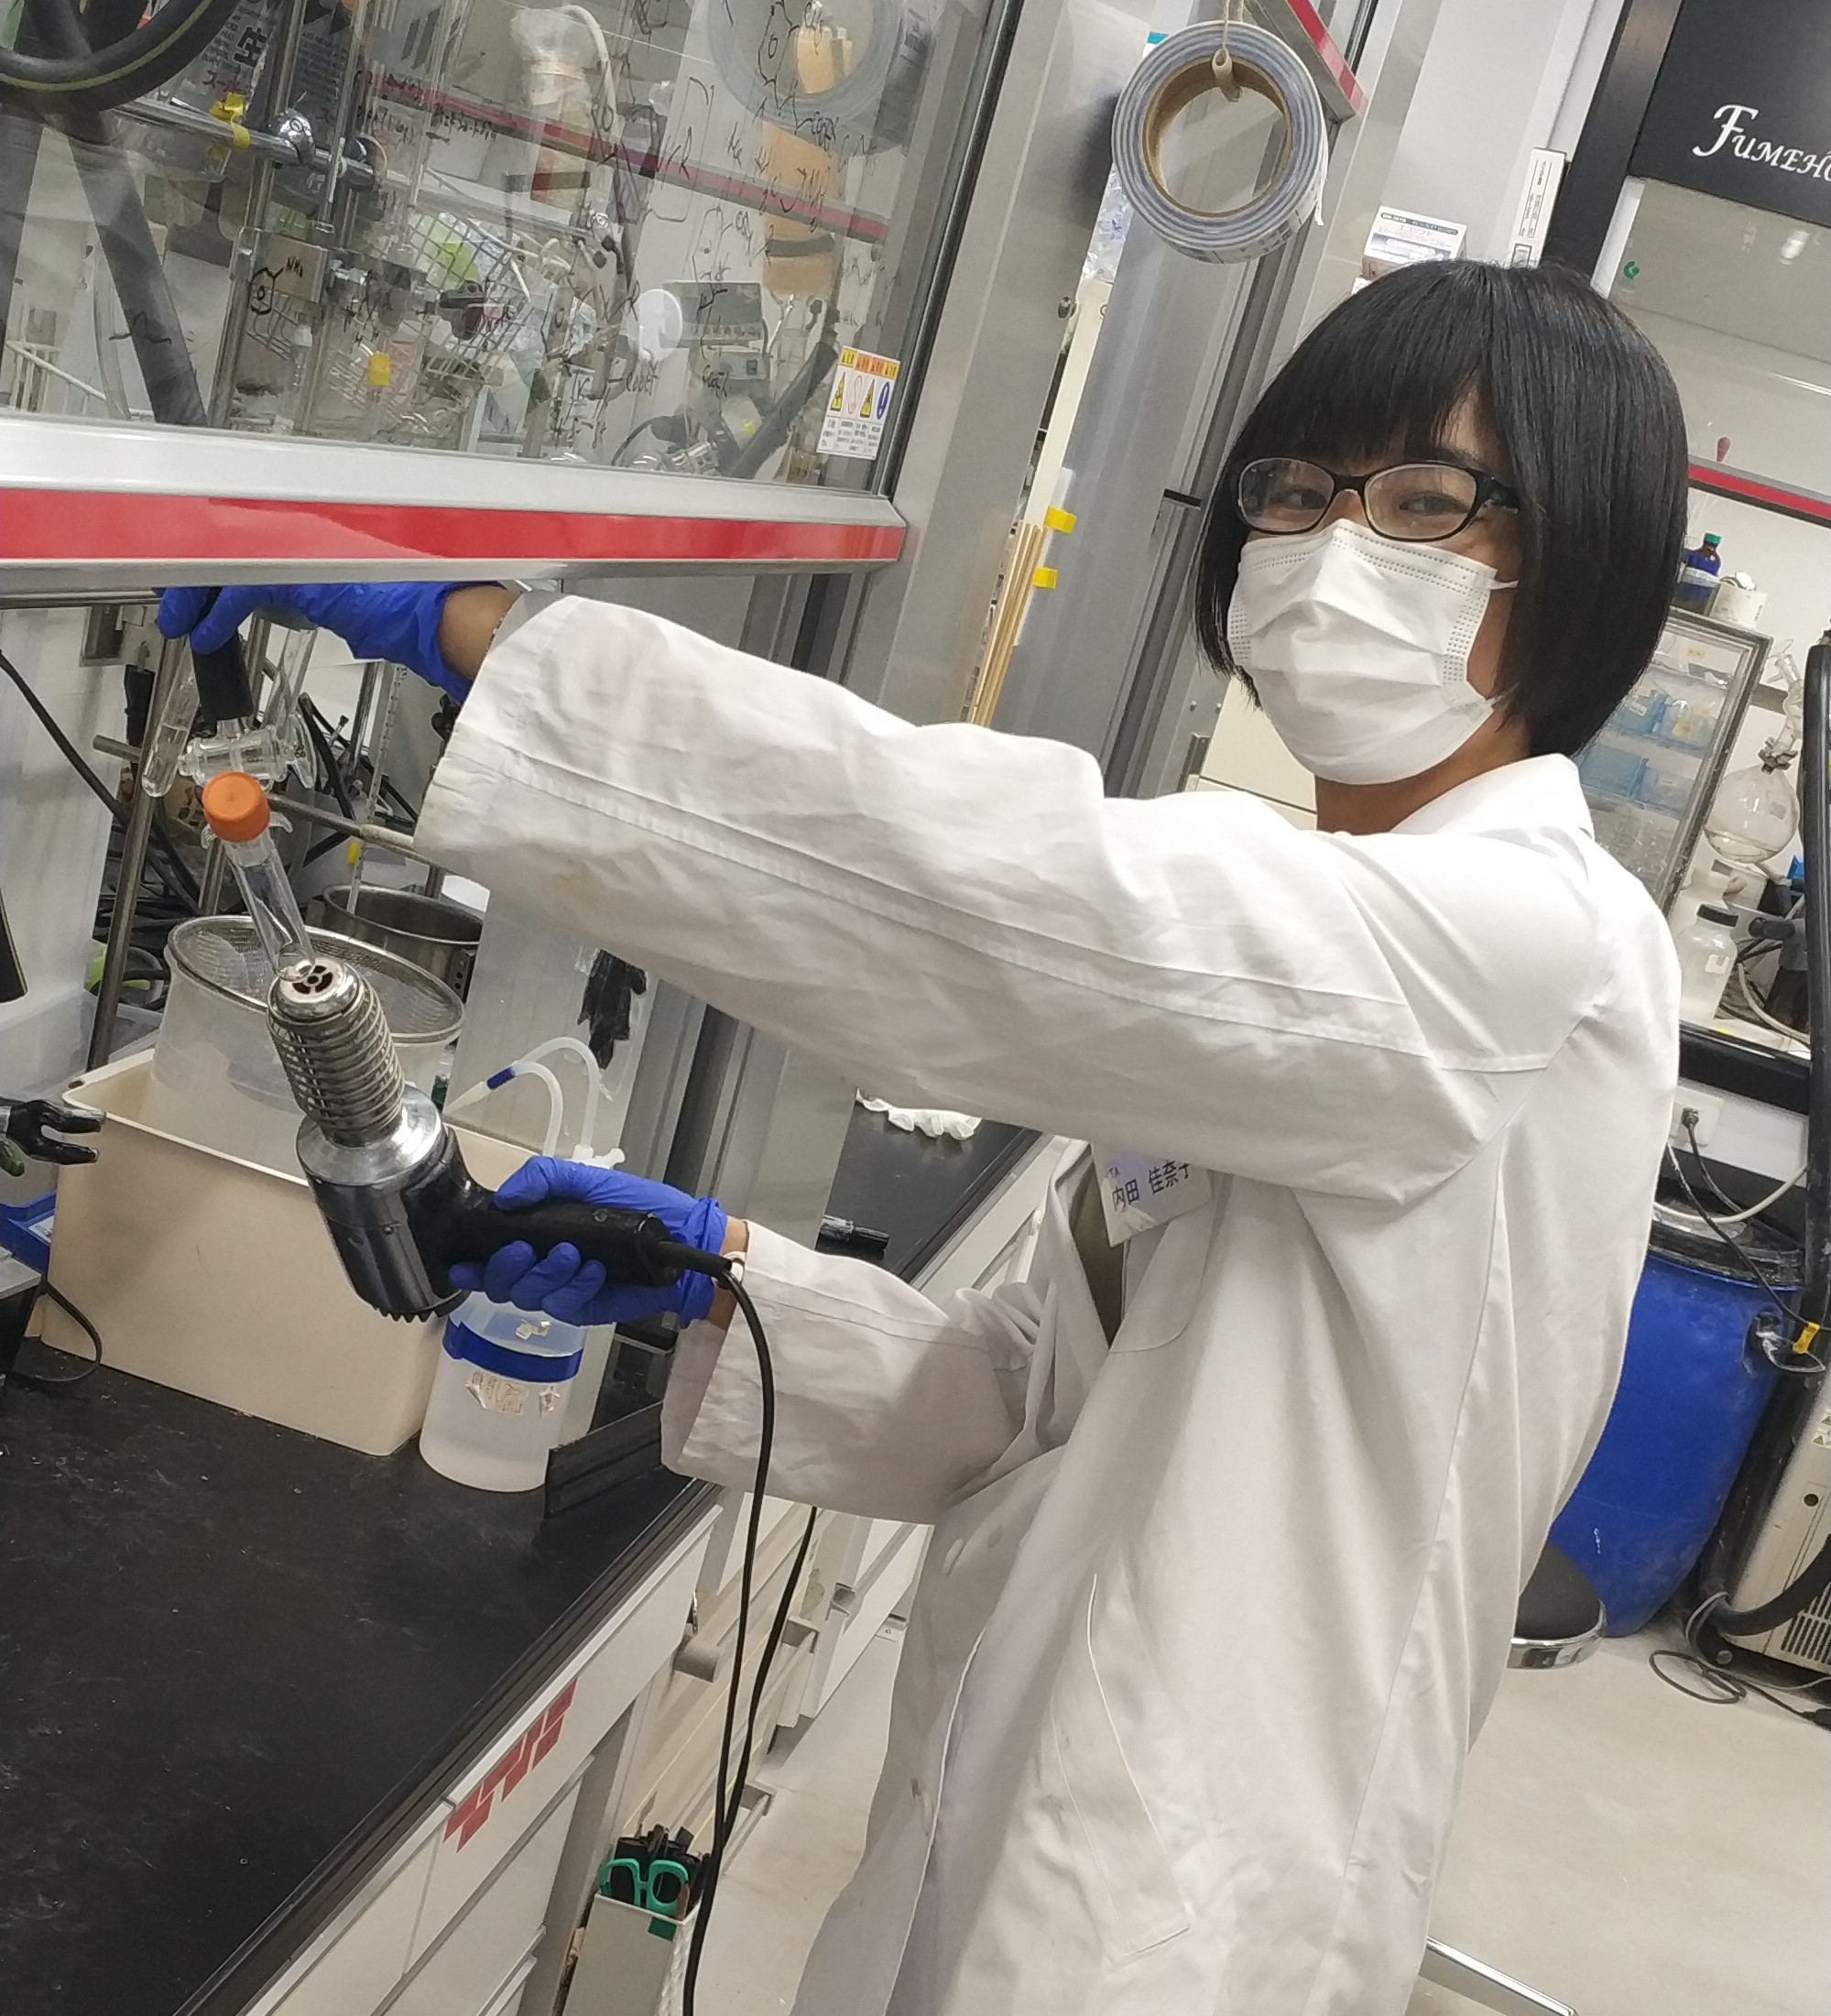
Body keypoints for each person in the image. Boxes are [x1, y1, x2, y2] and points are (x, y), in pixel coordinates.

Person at [161, 259, 1687, 2016]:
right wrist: (719, 1275)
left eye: (1424, 502)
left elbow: (992, 900)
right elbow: (1033, 1401)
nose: (1332, 549)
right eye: (1293, 492)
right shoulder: (1346, 925)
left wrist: (480, 631)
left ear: (1583, 562)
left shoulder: (1531, 945)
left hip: (1192, 1906)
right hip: (1036, 1804)